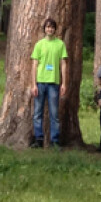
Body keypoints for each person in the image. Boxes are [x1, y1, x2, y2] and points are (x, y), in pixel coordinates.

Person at [29, 16, 68, 148]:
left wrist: (64, 83)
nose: (49, 29)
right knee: (38, 113)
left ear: (55, 29)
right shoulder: (39, 45)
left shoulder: (60, 44)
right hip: (40, 81)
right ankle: (38, 139)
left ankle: (54, 140)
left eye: (51, 27)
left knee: (54, 113)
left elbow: (63, 64)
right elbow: (34, 65)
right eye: (47, 27)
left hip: (54, 82)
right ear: (44, 29)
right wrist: (33, 84)